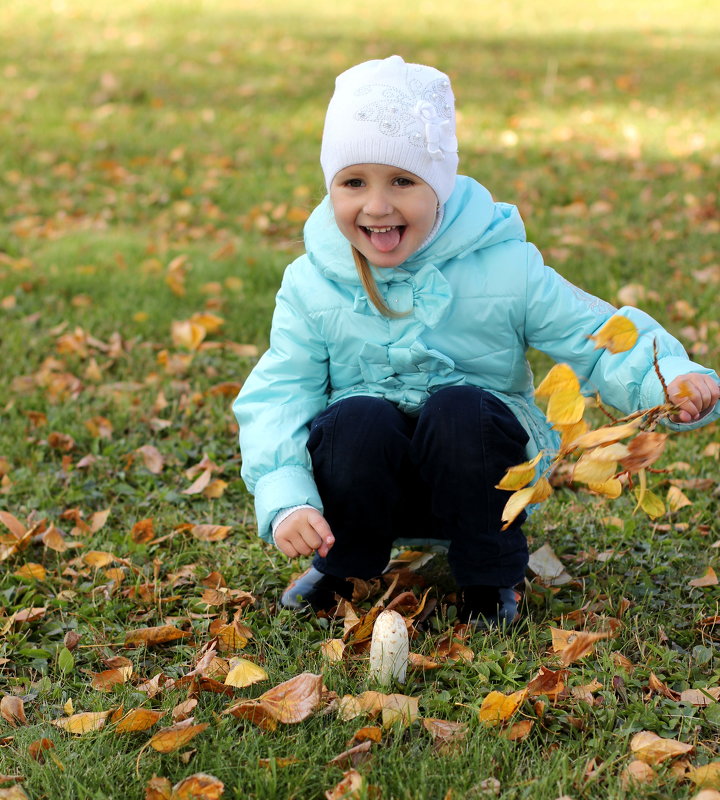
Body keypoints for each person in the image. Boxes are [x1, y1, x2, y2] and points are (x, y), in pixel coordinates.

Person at [233, 55, 720, 625]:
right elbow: (281, 391)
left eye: (403, 181)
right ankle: (345, 560)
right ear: (331, 186)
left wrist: (668, 379)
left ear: (438, 185)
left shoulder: (504, 266)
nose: (377, 205)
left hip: (480, 468)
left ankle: (489, 577)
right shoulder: (313, 281)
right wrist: (287, 492)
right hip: (370, 479)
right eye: (354, 182)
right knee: (355, 420)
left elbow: (593, 336)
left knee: (460, 408)